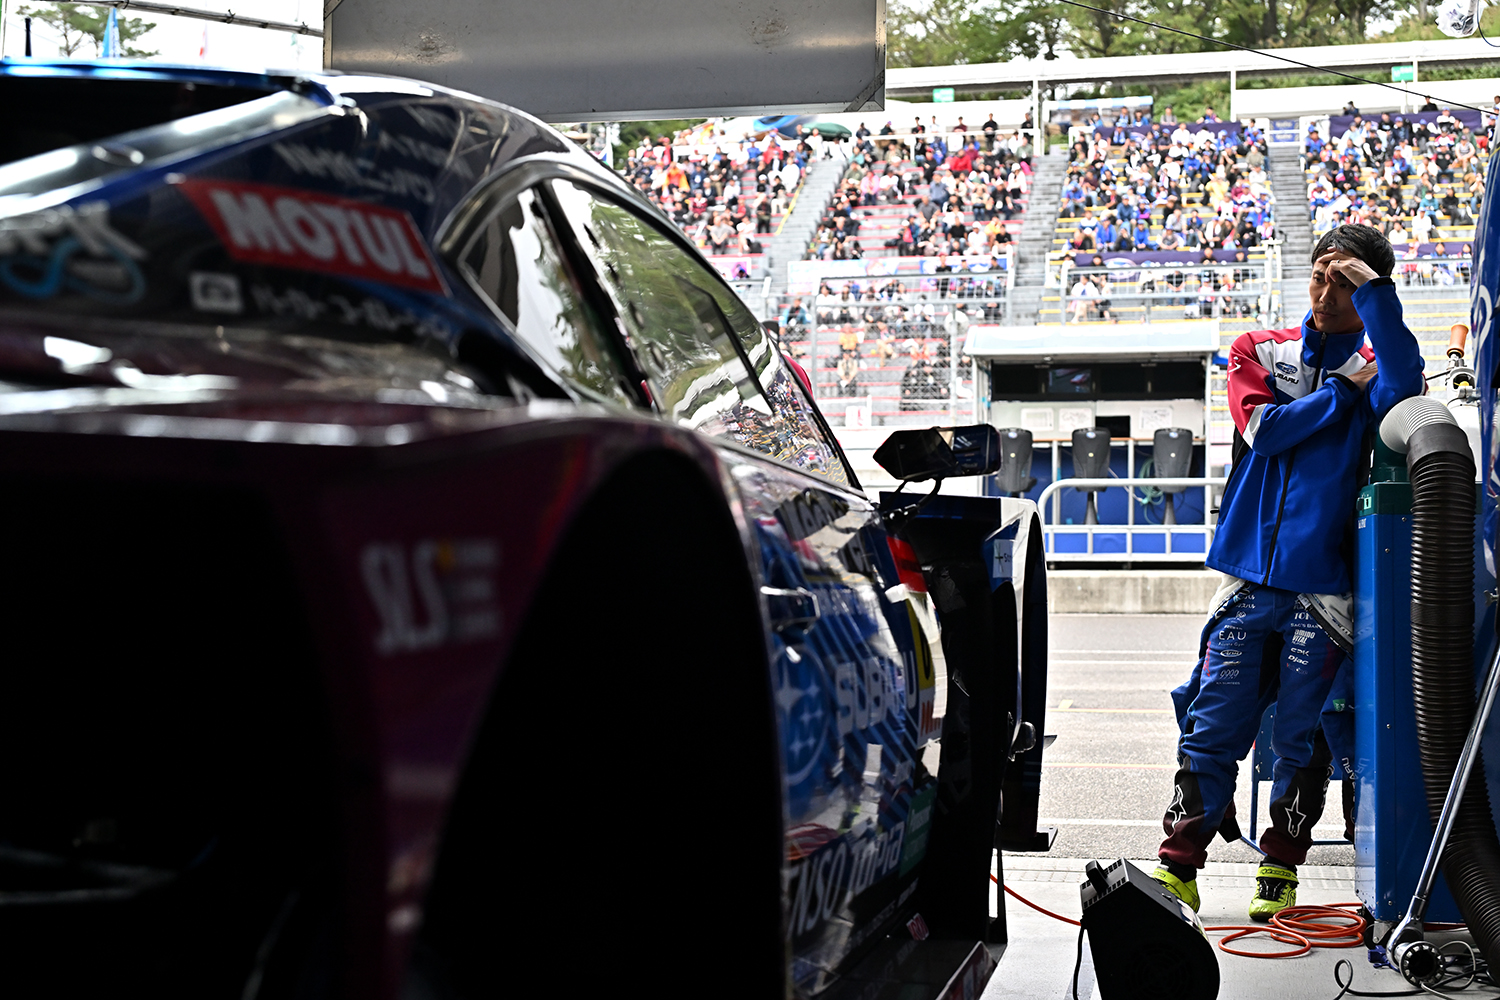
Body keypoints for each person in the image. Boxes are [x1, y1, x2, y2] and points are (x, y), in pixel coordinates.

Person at [1151, 224, 1423, 922]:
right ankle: (1178, 868)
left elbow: (1407, 389)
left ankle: (1280, 867)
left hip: (1323, 591)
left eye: (1346, 282)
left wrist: (1377, 301)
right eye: (1320, 275)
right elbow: (1265, 432)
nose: (1326, 293)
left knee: (1302, 738)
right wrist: (1341, 392)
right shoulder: (1259, 348)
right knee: (1212, 725)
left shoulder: (1376, 360)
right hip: (1246, 578)